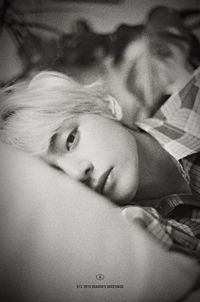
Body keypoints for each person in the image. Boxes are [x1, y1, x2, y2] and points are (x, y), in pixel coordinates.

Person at [0, 68, 200, 261]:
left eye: (70, 140)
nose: (77, 173)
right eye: (58, 175)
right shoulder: (128, 232)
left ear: (106, 105)